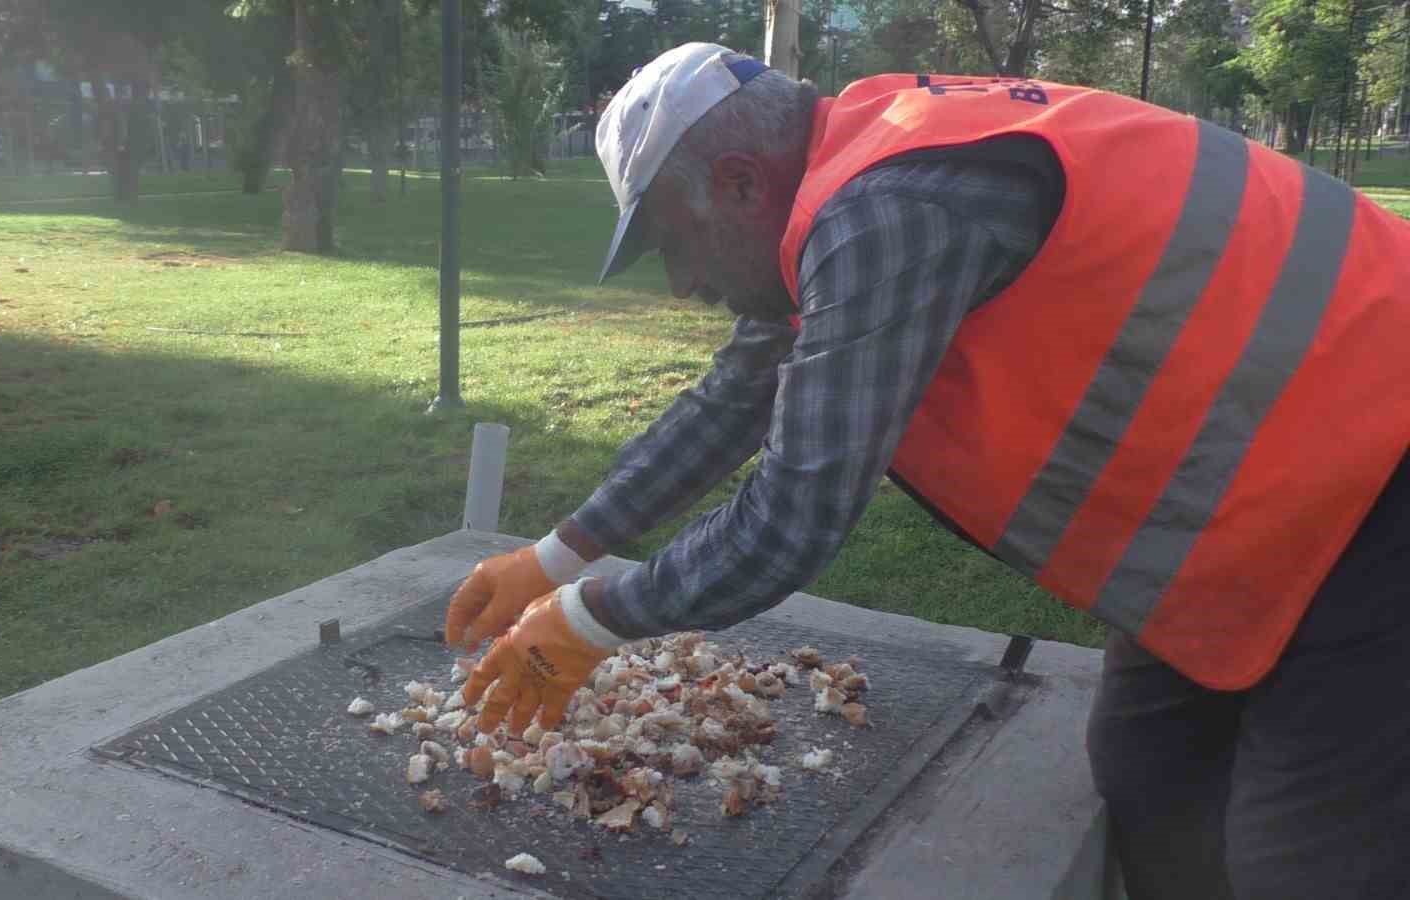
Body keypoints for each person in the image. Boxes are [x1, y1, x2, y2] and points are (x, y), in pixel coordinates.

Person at [444, 42, 1410, 899]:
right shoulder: (855, 171)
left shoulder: (885, 210)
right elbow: (732, 400)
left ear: (739, 181)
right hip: (1250, 510)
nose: (682, 282)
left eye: (673, 240)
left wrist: (586, 623)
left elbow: (793, 518)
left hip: (1372, 475)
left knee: (1310, 859)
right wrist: (558, 554)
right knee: (1147, 773)